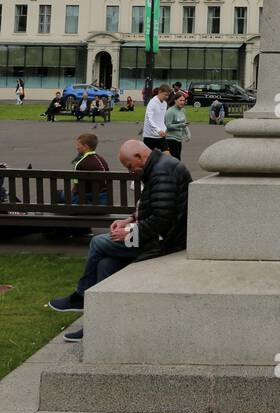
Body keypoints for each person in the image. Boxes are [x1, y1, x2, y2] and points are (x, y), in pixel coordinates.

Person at [46, 140, 192, 340]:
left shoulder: (161, 172)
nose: (130, 171)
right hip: (162, 235)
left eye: (129, 166)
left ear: (140, 157)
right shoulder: (159, 167)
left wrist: (130, 233)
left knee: (98, 243)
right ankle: (97, 324)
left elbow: (161, 218)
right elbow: (153, 206)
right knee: (106, 263)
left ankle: (80, 296)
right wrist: (129, 219)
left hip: (164, 241)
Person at [69, 132, 109, 206]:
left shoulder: (80, 163)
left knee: (59, 194)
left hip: (86, 200)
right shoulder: (103, 161)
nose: (76, 147)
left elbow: (76, 188)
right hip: (104, 201)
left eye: (78, 145)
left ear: (86, 147)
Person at [142, 83, 171, 151]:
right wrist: (158, 130)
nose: (167, 97)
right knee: (149, 159)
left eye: (168, 95)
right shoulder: (152, 103)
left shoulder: (164, 103)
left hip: (161, 136)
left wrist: (164, 129)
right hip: (149, 137)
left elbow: (162, 119)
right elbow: (149, 119)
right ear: (160, 92)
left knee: (167, 156)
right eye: (165, 95)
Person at [164, 91, 191, 160]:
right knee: (176, 160)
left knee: (176, 159)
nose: (182, 102)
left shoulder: (183, 110)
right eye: (180, 100)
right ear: (175, 100)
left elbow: (184, 124)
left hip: (179, 139)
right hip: (171, 139)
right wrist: (180, 125)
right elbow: (168, 126)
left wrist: (188, 133)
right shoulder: (170, 111)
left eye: (183, 100)